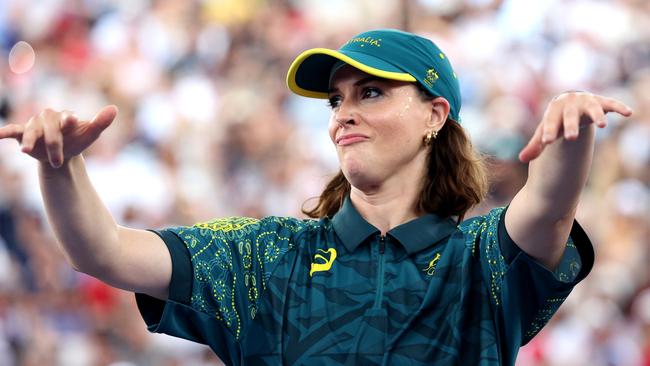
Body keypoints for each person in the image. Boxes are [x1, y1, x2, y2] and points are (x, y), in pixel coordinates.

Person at [0, 28, 633, 365]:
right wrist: (60, 167)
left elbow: (548, 210)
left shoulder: (480, 258)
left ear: (435, 115)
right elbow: (104, 252)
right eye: (336, 100)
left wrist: (572, 128)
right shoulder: (267, 255)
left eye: (371, 93)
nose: (341, 116)